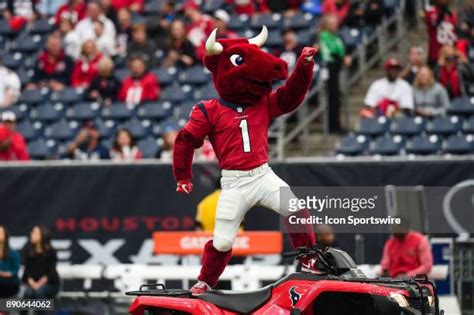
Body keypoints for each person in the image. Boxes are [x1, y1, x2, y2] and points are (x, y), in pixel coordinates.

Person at [172, 28, 319, 294]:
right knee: (223, 242)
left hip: (263, 175)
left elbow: (290, 97)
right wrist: (182, 175)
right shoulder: (209, 109)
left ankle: (308, 260)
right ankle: (205, 281)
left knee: (296, 210)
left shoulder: (260, 103)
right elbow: (185, 140)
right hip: (235, 183)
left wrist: (304, 66)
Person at [320, 14, 352, 133]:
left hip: (337, 68)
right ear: (327, 25)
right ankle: (333, 126)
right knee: (333, 97)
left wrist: (345, 58)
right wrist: (344, 59)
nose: (335, 25)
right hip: (330, 68)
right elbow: (331, 52)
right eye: (332, 23)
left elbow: (343, 50)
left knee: (337, 97)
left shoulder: (337, 37)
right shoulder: (325, 36)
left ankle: (336, 125)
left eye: (336, 22)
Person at [21, 226, 59, 314]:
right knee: (27, 292)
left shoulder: (51, 252)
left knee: (39, 292)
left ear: (42, 236)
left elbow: (50, 272)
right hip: (31, 284)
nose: (31, 234)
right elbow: (27, 271)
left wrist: (38, 284)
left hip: (50, 284)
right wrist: (33, 283)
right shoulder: (28, 251)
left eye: (34, 233)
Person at [425, 0, 457, 66]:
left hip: (450, 53)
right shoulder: (431, 12)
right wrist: (442, 13)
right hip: (435, 53)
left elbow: (453, 34)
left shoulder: (452, 14)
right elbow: (435, 24)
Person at [0, 226, 20, 298]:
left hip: (9, 283)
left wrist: (4, 274)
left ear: (6, 236)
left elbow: (15, 270)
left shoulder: (13, 253)